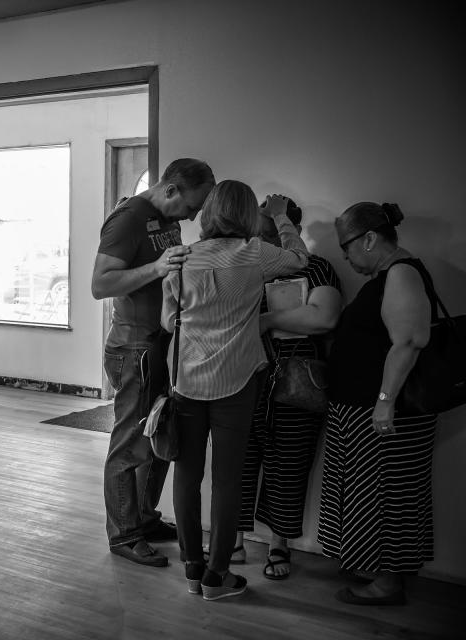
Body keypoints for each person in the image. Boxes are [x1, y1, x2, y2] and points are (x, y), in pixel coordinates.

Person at [161, 182, 308, 601]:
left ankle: (192, 568)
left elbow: (167, 320)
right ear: (246, 215)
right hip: (237, 382)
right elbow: (300, 258)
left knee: (187, 475)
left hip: (186, 380)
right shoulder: (253, 253)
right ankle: (217, 576)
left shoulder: (182, 256)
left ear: (207, 212)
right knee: (227, 480)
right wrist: (279, 215)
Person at [91, 158, 215, 567]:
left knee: (160, 435)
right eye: (191, 206)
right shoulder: (127, 219)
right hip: (132, 349)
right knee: (129, 443)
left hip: (161, 343)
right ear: (171, 190)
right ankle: (124, 535)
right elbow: (101, 284)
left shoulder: (165, 218)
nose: (194, 215)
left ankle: (144, 518)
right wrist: (158, 268)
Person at [319, 202, 436, 606]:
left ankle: (387, 585)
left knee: (387, 497)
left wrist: (384, 402)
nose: (346, 257)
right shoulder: (390, 275)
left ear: (369, 239)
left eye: (347, 247)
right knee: (374, 496)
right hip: (361, 411)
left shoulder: (402, 274)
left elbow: (409, 341)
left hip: (385, 414)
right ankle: (372, 567)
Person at [234, 198, 343, 580]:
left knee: (290, 465)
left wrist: (266, 320)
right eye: (256, 233)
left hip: (297, 381)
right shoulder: (245, 266)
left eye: (268, 232)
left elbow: (324, 317)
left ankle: (279, 543)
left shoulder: (316, 268)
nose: (259, 240)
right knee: (239, 462)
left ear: (289, 229)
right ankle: (234, 536)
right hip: (245, 378)